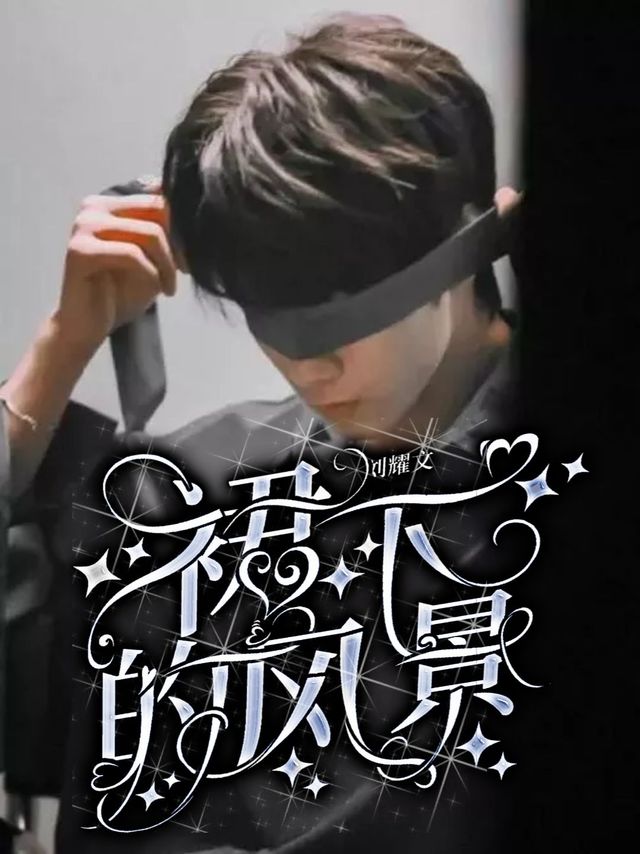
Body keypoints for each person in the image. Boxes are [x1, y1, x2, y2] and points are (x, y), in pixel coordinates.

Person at [0, 13, 523, 853]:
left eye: (343, 312)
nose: (311, 368)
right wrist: (60, 349)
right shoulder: (184, 498)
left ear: (466, 241)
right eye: (267, 313)